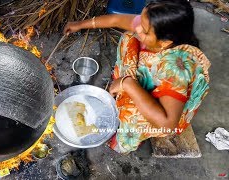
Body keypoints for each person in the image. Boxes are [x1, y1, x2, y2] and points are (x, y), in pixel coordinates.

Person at [63, 0, 210, 154]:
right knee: (130, 38)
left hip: (163, 114)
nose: (138, 27)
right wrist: (80, 24)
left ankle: (126, 140)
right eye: (141, 18)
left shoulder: (175, 71)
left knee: (129, 114)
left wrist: (128, 84)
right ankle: (126, 87)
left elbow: (167, 123)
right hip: (146, 80)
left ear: (166, 42)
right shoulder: (150, 26)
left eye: (145, 31)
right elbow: (116, 20)